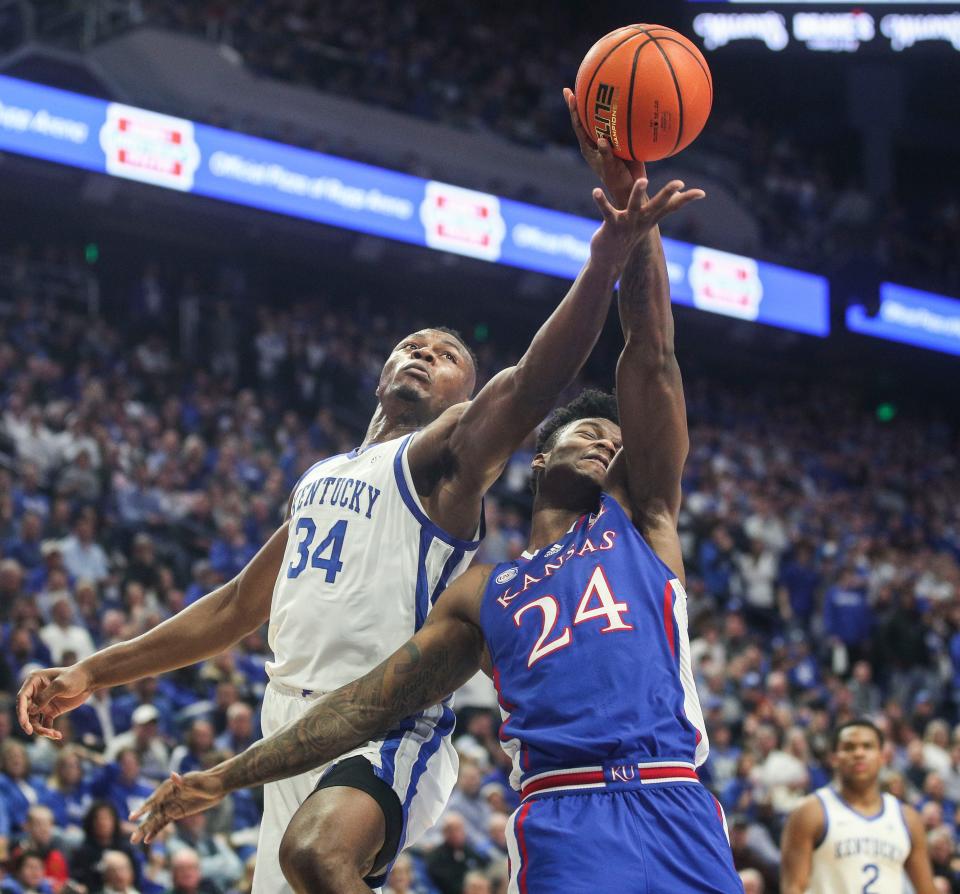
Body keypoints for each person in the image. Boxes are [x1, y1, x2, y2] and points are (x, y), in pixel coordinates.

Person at [19, 93, 703, 894]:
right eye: (410, 344)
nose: (421, 351)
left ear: (463, 399)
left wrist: (606, 261)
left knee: (317, 857)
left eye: (444, 353)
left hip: (387, 728)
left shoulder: (444, 458)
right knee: (297, 866)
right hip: (292, 724)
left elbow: (533, 383)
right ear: (379, 373)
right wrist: (93, 674)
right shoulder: (321, 478)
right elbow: (238, 605)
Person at [780, 719, 937, 893]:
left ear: (882, 757)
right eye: (849, 747)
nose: (859, 753)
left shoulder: (907, 818)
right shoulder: (809, 812)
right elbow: (793, 887)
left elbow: (927, 889)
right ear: (833, 758)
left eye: (867, 746)